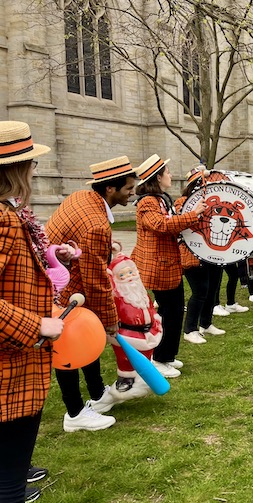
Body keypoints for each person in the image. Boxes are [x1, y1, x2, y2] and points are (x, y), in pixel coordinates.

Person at [0, 121, 65, 503]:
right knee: (8, 486)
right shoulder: (3, 220)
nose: (36, 170)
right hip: (10, 366)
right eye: (31, 163)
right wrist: (36, 326)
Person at [46, 155, 139, 432]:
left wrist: (102, 248)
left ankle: (98, 396)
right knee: (68, 350)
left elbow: (83, 244)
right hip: (64, 290)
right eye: (128, 189)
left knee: (86, 342)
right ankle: (75, 414)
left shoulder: (82, 198)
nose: (133, 193)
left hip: (61, 283)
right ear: (110, 189)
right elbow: (96, 280)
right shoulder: (96, 224)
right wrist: (110, 320)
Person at [131, 155, 206, 377]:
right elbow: (160, 225)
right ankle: (160, 359)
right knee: (169, 313)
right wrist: (193, 215)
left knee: (172, 312)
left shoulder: (160, 199)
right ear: (157, 177)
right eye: (167, 172)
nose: (171, 175)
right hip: (159, 267)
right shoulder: (147, 202)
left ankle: (167, 356)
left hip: (169, 265)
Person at [173, 171, 232, 344]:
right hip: (193, 253)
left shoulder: (219, 202)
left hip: (213, 253)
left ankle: (206, 323)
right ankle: (190, 329)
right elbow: (182, 222)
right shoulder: (181, 202)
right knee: (200, 292)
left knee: (212, 289)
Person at [106, 250, 162, 391]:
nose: (128, 277)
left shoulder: (140, 291)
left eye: (130, 273)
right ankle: (126, 378)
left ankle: (145, 375)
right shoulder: (118, 296)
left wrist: (154, 318)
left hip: (148, 331)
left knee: (146, 354)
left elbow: (149, 306)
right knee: (125, 357)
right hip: (127, 333)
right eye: (122, 275)